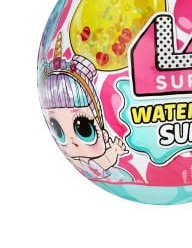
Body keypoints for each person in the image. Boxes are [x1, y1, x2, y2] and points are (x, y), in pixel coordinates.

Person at [39, 34, 134, 183]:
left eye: (83, 128)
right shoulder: (88, 165)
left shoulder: (92, 165)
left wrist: (114, 151)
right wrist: (114, 151)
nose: (72, 142)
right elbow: (104, 162)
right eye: (56, 127)